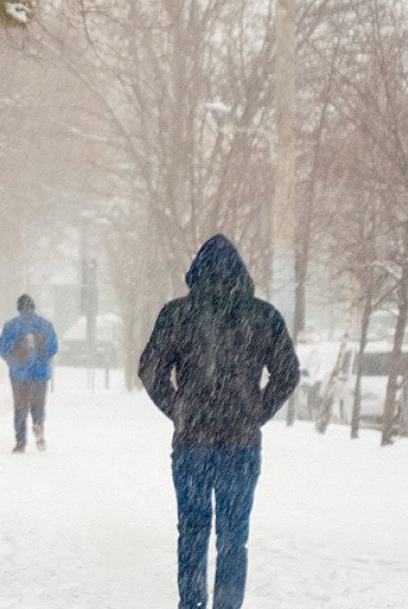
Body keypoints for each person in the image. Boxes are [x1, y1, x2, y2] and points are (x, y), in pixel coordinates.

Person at [139, 234, 299, 609]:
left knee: (192, 532)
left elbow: (150, 369)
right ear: (241, 273)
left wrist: (178, 408)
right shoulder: (263, 316)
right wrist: (257, 411)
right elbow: (288, 373)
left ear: (196, 272)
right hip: (240, 445)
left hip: (192, 443)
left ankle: (191, 604)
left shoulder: (176, 314)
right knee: (233, 538)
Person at [0, 294, 58, 453]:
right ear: (33, 306)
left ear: (19, 307)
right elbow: (53, 347)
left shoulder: (12, 326)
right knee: (38, 405)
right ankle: (38, 424)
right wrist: (43, 359)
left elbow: (2, 347)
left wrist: (13, 360)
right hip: (40, 374)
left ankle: (20, 442)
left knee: (20, 408)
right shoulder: (45, 325)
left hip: (19, 375)